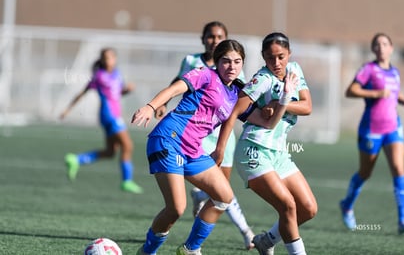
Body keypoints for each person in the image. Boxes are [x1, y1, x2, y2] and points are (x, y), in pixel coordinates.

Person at [131, 39, 248, 255]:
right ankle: (147, 252)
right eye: (226, 61)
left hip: (193, 150)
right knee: (176, 208)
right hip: (169, 140)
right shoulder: (205, 74)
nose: (231, 66)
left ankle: (190, 249)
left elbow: (256, 116)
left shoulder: (237, 93)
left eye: (237, 62)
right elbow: (174, 89)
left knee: (224, 197)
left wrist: (282, 103)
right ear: (217, 62)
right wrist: (150, 106)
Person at [212, 32, 317, 255]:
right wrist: (220, 149)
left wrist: (281, 102)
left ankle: (266, 242)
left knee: (307, 209)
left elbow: (307, 106)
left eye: (281, 56)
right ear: (263, 57)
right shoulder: (262, 79)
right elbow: (233, 114)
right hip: (254, 150)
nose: (276, 63)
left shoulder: (294, 70)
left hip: (278, 153)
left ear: (289, 54)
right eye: (270, 58)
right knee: (288, 206)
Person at [155, 21, 254, 250]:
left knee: (222, 191)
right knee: (183, 204)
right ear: (203, 39)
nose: (214, 40)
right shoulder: (194, 64)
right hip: (186, 134)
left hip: (221, 134)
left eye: (219, 36)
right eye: (210, 36)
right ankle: (243, 232)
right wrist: (159, 104)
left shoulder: (236, 71)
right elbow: (177, 84)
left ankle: (211, 235)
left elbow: (245, 104)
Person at [340, 32, 404, 234]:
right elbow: (351, 90)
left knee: (399, 169)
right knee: (365, 173)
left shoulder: (395, 73)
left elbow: (394, 92)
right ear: (373, 49)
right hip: (371, 128)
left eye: (384, 44)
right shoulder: (368, 70)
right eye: (377, 44)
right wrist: (374, 93)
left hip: (393, 128)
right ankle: (346, 205)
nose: (381, 47)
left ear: (391, 48)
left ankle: (402, 221)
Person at [60, 48, 143, 194]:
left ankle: (76, 160)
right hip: (109, 115)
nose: (107, 61)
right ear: (102, 60)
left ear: (115, 59)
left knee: (111, 152)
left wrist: (127, 90)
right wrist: (68, 109)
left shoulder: (117, 74)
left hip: (113, 115)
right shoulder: (99, 76)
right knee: (128, 146)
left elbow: (117, 93)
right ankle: (127, 181)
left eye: (110, 58)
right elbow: (82, 93)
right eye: (105, 58)